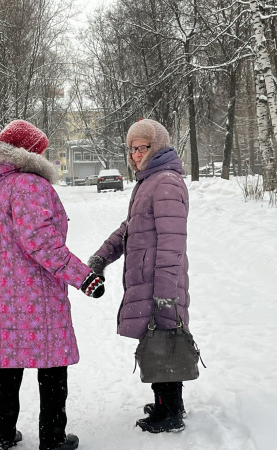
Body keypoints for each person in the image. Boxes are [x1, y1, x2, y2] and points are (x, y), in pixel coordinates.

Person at [0, 119, 105, 450]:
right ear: (31, 152)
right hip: (34, 294)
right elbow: (42, 243)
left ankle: (1, 434)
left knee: (8, 362)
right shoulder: (29, 186)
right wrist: (84, 277)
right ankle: (52, 437)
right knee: (51, 363)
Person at [87, 118, 191, 433]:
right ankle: (170, 403)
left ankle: (169, 412)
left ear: (155, 147)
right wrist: (101, 256)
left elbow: (173, 243)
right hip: (150, 278)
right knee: (159, 337)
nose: (134, 154)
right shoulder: (149, 182)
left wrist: (164, 291)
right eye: (132, 149)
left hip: (161, 280)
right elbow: (129, 229)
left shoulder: (166, 182)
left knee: (163, 337)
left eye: (141, 148)